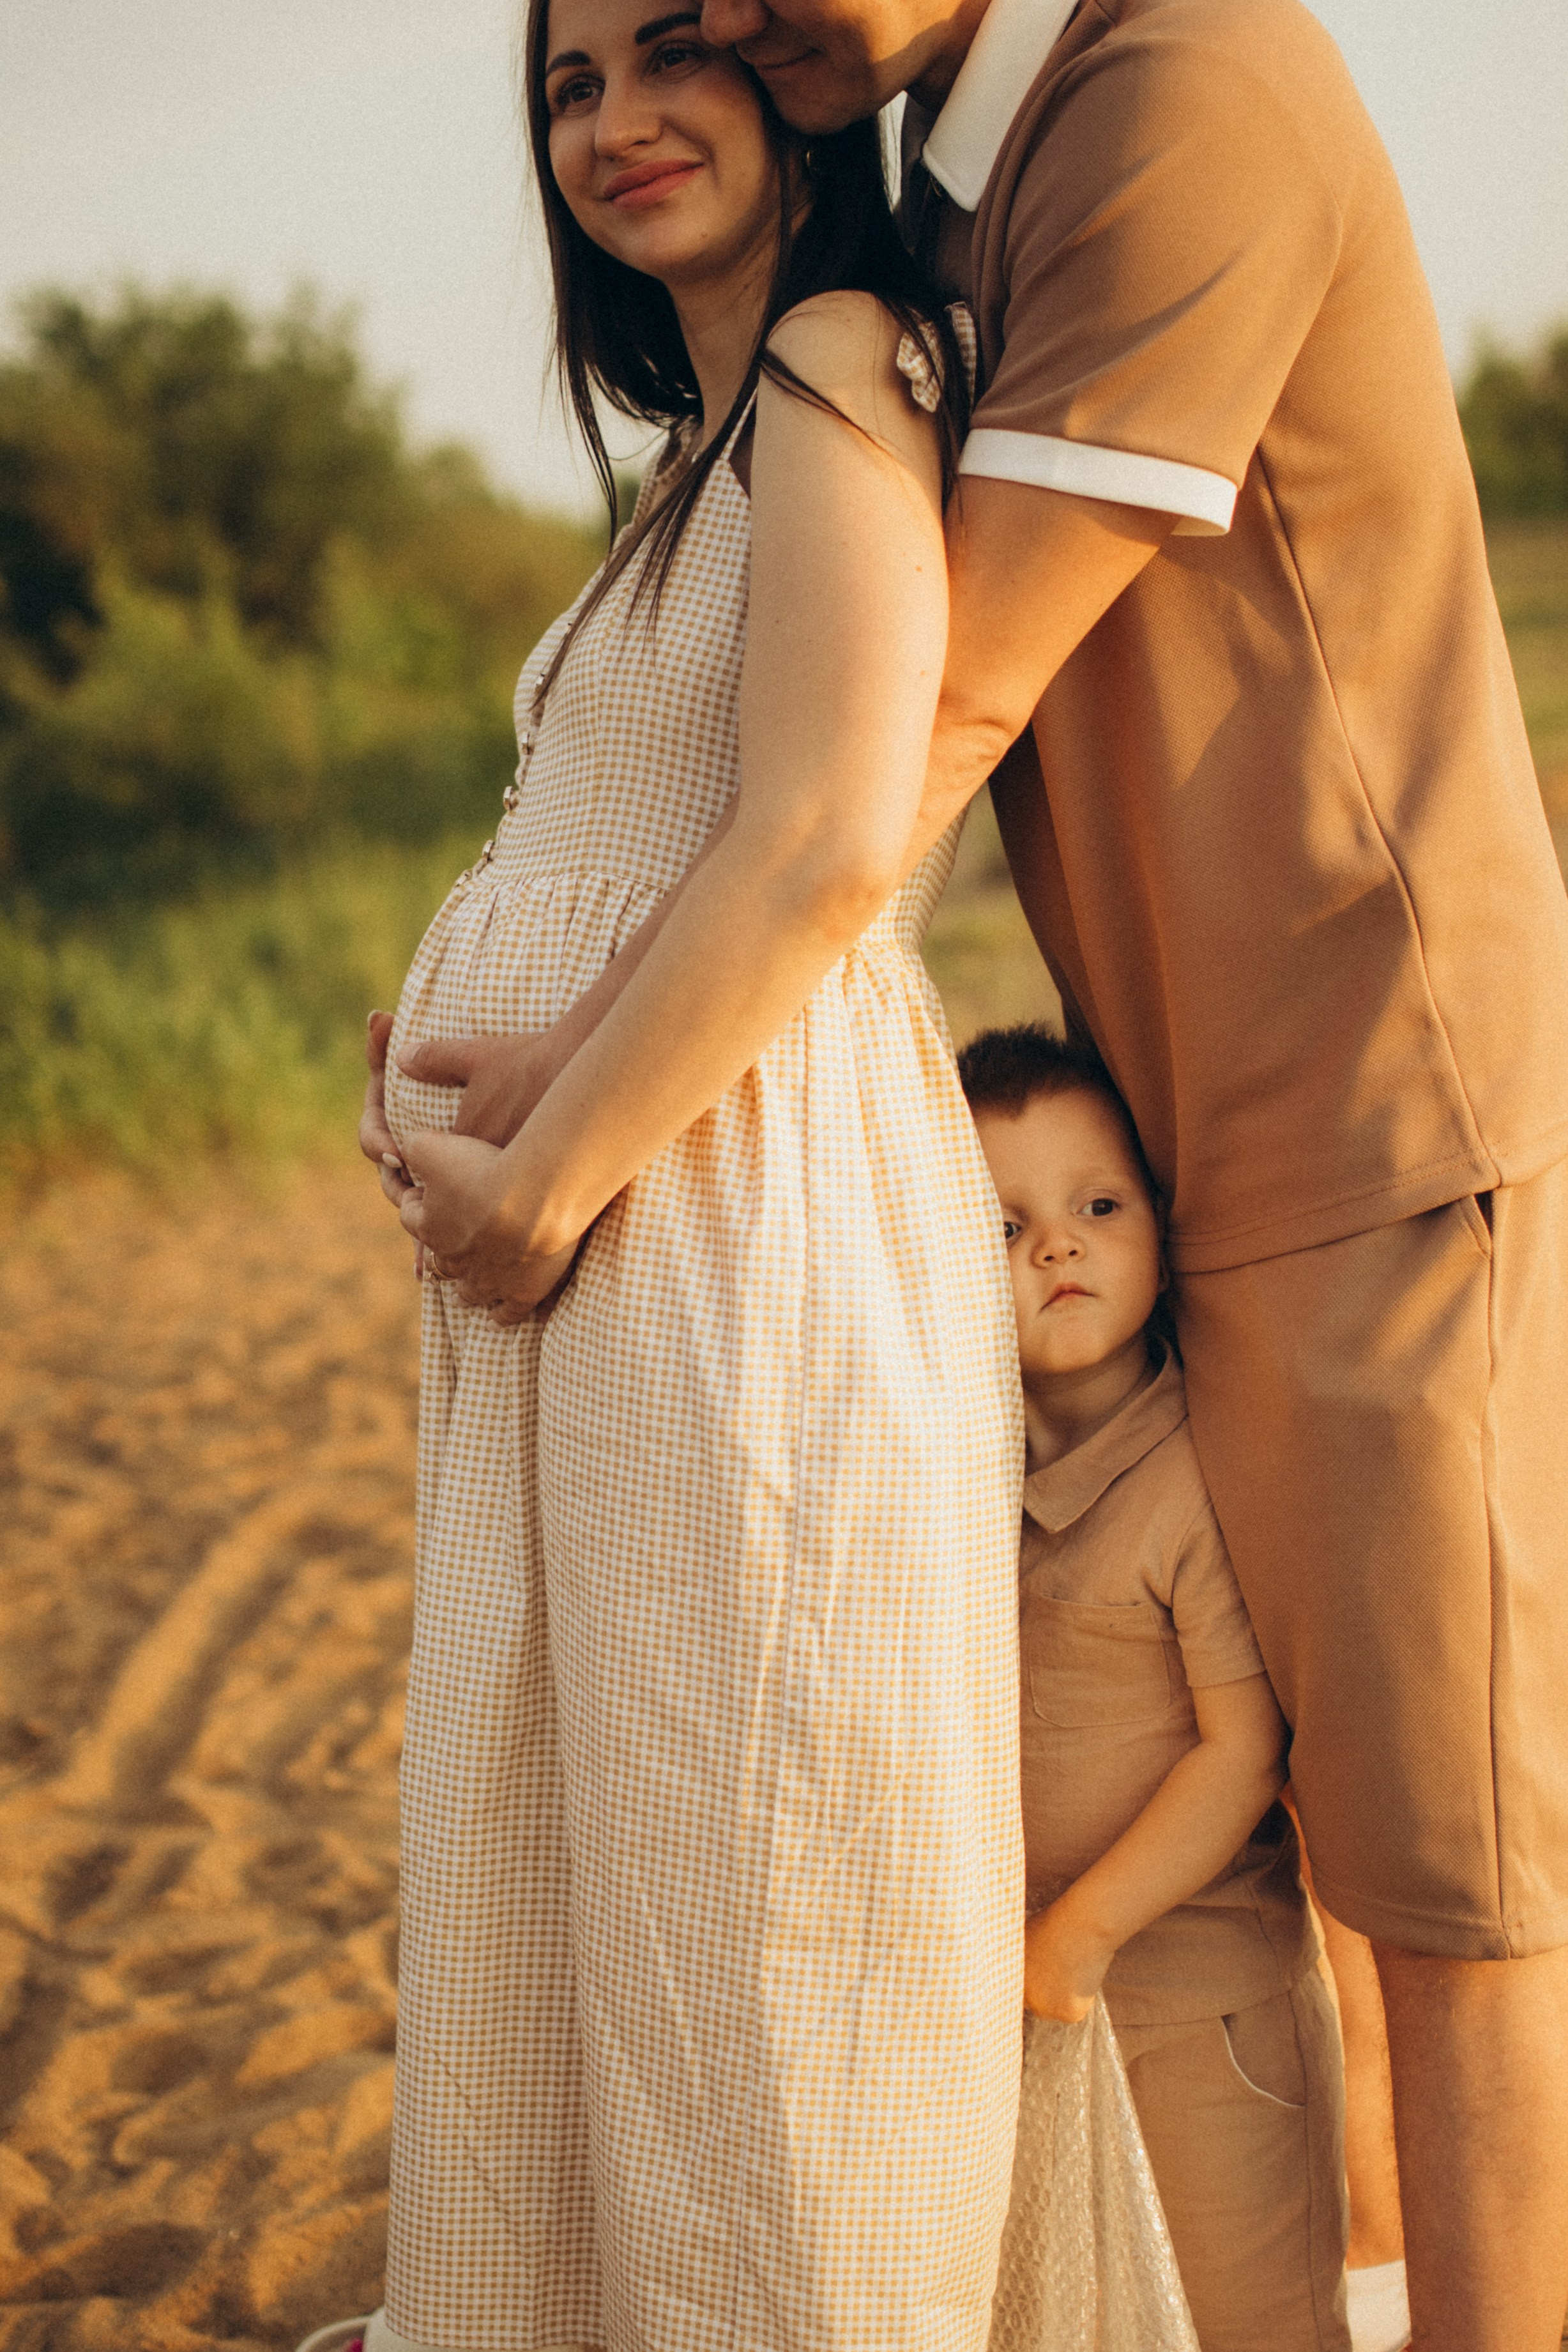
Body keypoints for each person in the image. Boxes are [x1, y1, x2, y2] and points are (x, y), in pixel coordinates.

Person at [399, 1, 1568, 2342]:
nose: (705, 42)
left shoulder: (1179, 91)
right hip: (1170, 1130)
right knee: (1267, 1839)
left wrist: (572, 1112)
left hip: (1368, 1107)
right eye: (594, 65)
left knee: (1452, 1881)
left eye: (711, 19)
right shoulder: (955, 185)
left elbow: (912, 733)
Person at [333, 6, 1051, 2347]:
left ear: (785, 81)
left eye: (668, 53)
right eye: (562, 87)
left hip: (721, 1230)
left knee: (757, 1899)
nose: (613, 119)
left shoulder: (847, 350)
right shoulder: (706, 448)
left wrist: (540, 1185)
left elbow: (837, 831)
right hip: (629, 1239)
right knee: (603, 1876)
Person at [962, 1023, 1349, 2352]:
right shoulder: (963, 1475)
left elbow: (1240, 1751)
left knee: (1249, 2316)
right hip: (1027, 1985)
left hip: (1202, 2002)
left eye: (1096, 1204)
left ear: (1161, 1224)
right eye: (1001, 1224)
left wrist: (1083, 1927)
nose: (1055, 1245)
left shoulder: (1193, 1470)